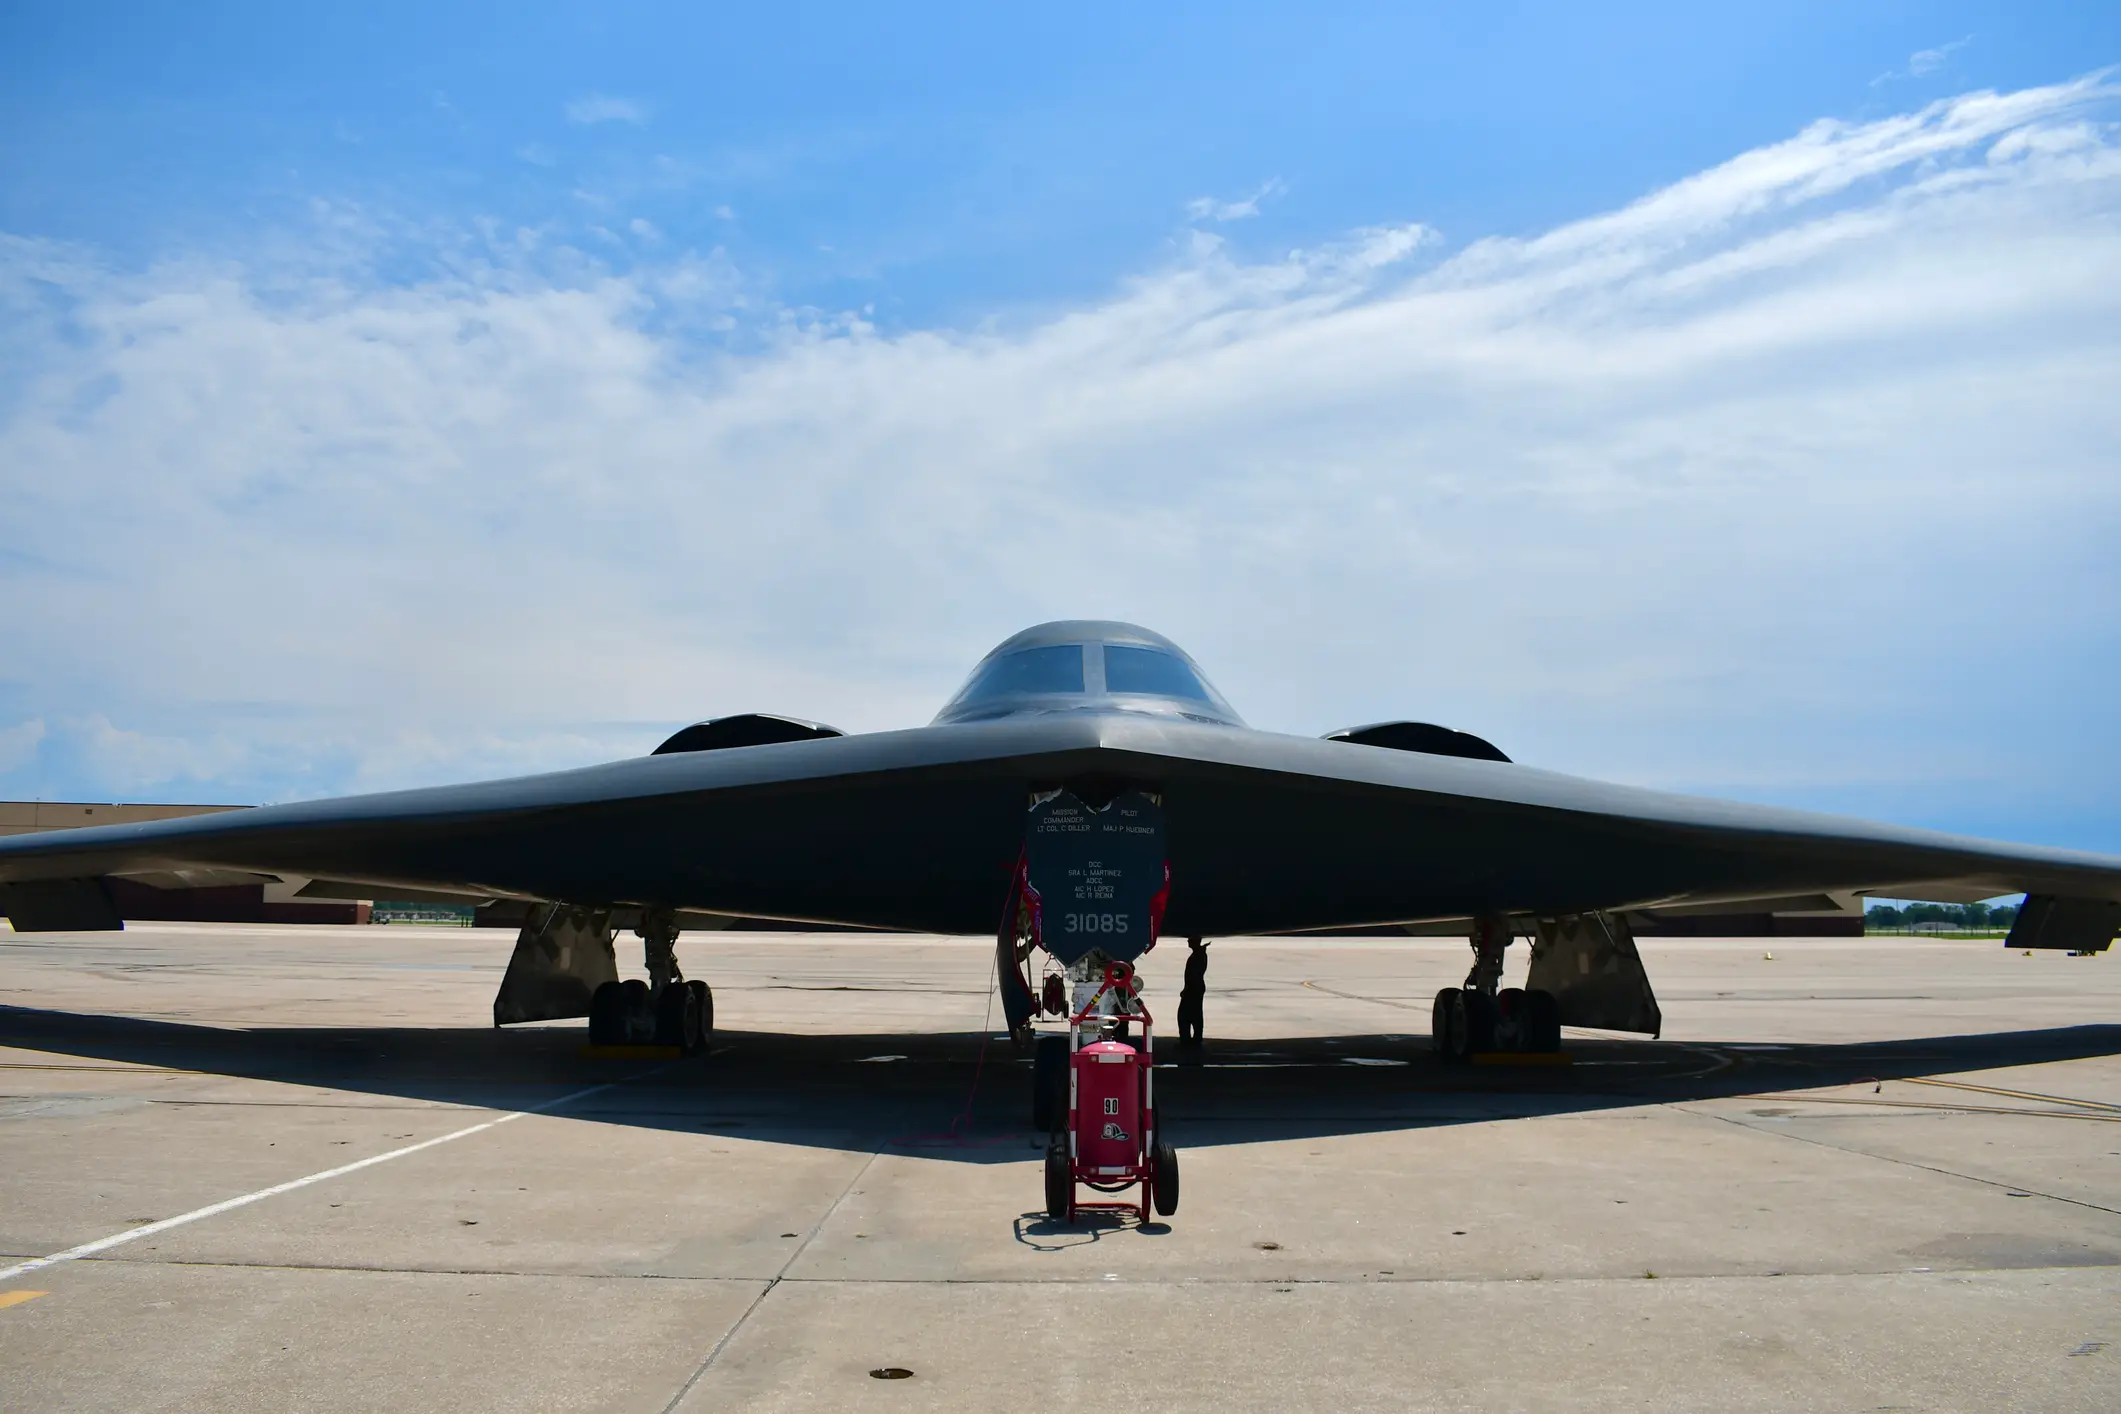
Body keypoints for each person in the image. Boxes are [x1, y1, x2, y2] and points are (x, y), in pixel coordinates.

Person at [1177, 936, 1209, 1047]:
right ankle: (1194, 1039)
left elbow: (1194, 975)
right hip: (1195, 987)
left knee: (1185, 1015)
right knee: (1195, 1014)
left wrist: (1187, 989)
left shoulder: (1198, 955)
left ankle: (1187, 1040)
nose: (1188, 942)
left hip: (1194, 988)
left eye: (1190, 940)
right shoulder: (1199, 954)